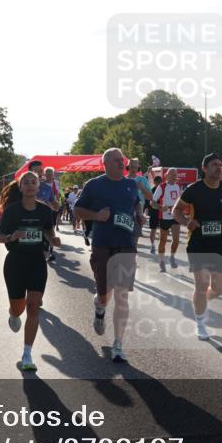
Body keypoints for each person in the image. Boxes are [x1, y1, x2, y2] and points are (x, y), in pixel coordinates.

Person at [73, 148, 141, 363]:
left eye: (122, 160)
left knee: (122, 296)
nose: (122, 163)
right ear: (105, 164)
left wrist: (139, 214)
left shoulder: (131, 184)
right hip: (103, 245)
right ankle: (99, 307)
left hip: (126, 246)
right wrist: (96, 216)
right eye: (116, 160)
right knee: (105, 294)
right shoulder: (94, 185)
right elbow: (77, 209)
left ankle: (118, 344)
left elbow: (135, 202)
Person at [0, 170, 60, 371]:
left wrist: (53, 239)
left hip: (37, 263)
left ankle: (27, 354)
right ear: (21, 187)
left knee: (33, 307)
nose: (31, 185)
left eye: (34, 182)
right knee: (19, 308)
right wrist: (11, 237)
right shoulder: (12, 211)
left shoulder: (44, 210)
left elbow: (48, 230)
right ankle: (13, 314)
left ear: (38, 187)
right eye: (27, 183)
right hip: (15, 263)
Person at [173, 153, 222, 340]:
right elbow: (176, 210)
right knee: (201, 285)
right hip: (198, 243)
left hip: (218, 243)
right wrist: (186, 221)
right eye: (214, 165)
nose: (219, 168)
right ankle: (200, 323)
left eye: (220, 165)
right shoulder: (194, 190)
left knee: (218, 288)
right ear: (205, 168)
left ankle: (199, 302)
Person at [152, 168, 183, 272]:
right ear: (167, 175)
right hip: (164, 216)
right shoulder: (162, 187)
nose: (174, 176)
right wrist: (161, 207)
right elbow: (152, 202)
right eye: (172, 174)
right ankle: (161, 261)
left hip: (175, 216)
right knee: (163, 240)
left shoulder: (178, 186)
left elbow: (181, 200)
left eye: (175, 174)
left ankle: (172, 257)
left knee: (176, 240)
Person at [126, 158, 154, 248]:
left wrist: (142, 188)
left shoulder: (143, 180)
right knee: (124, 240)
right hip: (124, 213)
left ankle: (130, 259)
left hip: (138, 214)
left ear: (138, 167)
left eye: (135, 166)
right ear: (128, 167)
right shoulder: (123, 180)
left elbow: (150, 197)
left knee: (134, 243)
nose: (133, 168)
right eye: (131, 166)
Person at [148, 175, 162, 254]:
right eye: (158, 182)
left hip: (161, 213)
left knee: (162, 230)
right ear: (155, 182)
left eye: (160, 182)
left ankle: (160, 246)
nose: (159, 183)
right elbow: (149, 202)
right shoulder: (152, 190)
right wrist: (147, 210)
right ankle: (152, 245)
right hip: (154, 212)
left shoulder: (163, 190)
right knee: (153, 229)